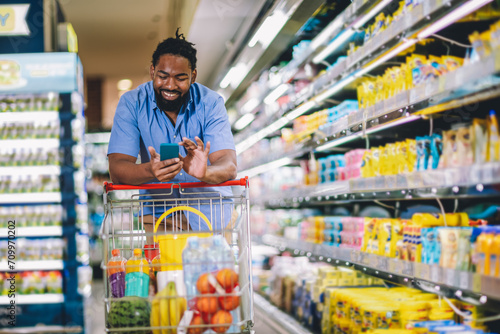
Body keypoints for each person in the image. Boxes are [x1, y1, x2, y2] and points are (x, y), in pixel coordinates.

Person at [107, 29, 237, 241]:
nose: (169, 85)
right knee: (165, 274)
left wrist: (205, 173)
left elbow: (228, 165)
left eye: (180, 78)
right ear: (152, 72)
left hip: (211, 213)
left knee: (214, 275)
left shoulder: (211, 103)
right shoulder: (132, 103)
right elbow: (117, 169)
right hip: (161, 215)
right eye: (163, 76)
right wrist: (151, 169)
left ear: (193, 76)